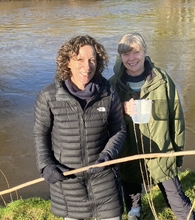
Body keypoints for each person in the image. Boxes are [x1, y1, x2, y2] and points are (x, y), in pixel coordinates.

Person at [33, 35, 127, 220]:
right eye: (80, 59)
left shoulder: (108, 92)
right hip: (69, 183)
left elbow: (119, 129)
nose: (87, 66)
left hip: (104, 180)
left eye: (92, 59)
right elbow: (40, 134)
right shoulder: (48, 96)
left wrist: (107, 157)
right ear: (67, 62)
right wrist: (46, 166)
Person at [109, 33, 195, 220]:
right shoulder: (112, 85)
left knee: (176, 197)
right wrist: (121, 112)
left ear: (145, 52)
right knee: (131, 192)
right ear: (120, 56)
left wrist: (177, 155)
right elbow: (106, 123)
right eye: (126, 54)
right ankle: (135, 212)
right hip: (128, 154)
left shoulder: (163, 80)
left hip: (161, 153)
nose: (131, 58)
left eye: (136, 52)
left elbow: (177, 118)